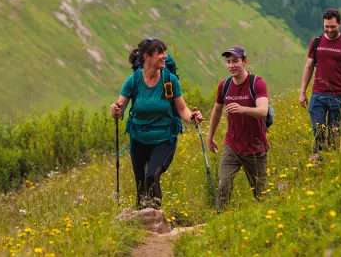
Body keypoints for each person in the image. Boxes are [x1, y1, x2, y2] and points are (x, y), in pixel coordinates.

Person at [110, 37, 203, 210]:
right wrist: (115, 111)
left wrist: (193, 118)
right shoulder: (134, 80)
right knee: (140, 186)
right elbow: (119, 108)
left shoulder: (169, 80)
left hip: (164, 137)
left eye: (164, 52)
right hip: (138, 138)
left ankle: (155, 215)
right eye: (160, 53)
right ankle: (141, 226)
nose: (165, 56)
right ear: (147, 57)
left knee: (151, 176)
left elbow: (182, 109)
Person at [206, 45, 269, 211]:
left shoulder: (257, 83)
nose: (231, 65)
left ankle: (265, 217)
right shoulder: (224, 85)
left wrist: (243, 109)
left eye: (235, 61)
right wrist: (210, 136)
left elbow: (263, 111)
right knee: (223, 184)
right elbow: (217, 110)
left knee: (261, 192)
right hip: (232, 145)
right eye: (228, 62)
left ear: (245, 62)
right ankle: (220, 219)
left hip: (255, 147)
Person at [299, 9, 341, 159]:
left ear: (340, 24)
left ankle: (331, 162)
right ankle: (319, 161)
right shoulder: (317, 42)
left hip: (338, 96)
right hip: (318, 94)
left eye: (333, 26)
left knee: (334, 133)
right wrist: (302, 92)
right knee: (318, 131)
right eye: (326, 26)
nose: (329, 30)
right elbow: (308, 67)